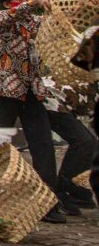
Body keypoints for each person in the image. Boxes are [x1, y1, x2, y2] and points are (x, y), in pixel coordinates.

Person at [0, 0, 66, 224]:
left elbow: (59, 26)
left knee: (43, 146)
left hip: (32, 91)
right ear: (6, 2)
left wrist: (73, 5)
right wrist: (33, 3)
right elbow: (10, 16)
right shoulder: (1, 19)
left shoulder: (34, 23)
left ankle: (47, 203)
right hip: (6, 91)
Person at [44, 80, 98, 213]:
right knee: (84, 142)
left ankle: (78, 193)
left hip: (60, 100)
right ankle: (62, 192)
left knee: (88, 142)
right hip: (51, 100)